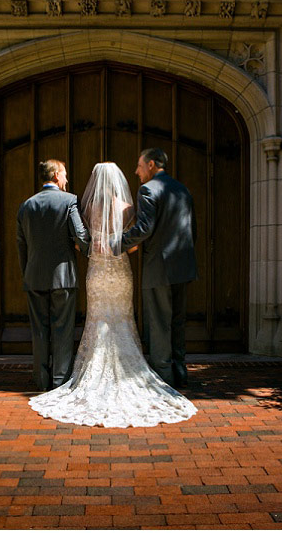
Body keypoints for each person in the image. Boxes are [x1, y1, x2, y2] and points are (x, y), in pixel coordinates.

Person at [28, 162, 196, 427]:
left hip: (96, 272)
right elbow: (132, 246)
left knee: (98, 321)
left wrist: (92, 246)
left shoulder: (86, 208)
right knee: (122, 321)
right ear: (118, 182)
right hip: (119, 272)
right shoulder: (128, 208)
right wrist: (118, 245)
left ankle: (68, 376)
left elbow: (79, 238)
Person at [117, 148, 197, 388]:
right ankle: (180, 371)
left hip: (159, 267)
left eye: (139, 166)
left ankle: (164, 377)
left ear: (151, 164)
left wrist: (117, 243)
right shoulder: (183, 189)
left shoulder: (148, 190)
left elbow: (144, 228)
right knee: (177, 321)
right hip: (183, 264)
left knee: (160, 321)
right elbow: (193, 228)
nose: (136, 171)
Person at [17, 159, 90, 391]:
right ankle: (60, 381)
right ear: (57, 175)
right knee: (62, 330)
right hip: (64, 277)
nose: (67, 179)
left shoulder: (26, 205)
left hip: (34, 276)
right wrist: (88, 251)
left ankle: (41, 380)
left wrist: (27, 273)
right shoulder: (69, 201)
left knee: (39, 330)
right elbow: (79, 234)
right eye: (65, 174)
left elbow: (21, 246)